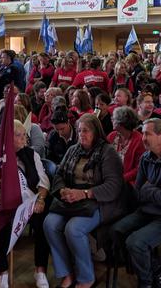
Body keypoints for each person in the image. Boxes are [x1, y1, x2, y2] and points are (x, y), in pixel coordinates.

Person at [110, 118, 161, 288]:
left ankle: (147, 282)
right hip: (149, 210)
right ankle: (157, 268)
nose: (143, 138)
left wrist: (149, 188)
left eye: (147, 134)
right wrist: (157, 188)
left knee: (136, 242)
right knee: (116, 231)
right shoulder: (146, 157)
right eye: (142, 134)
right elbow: (138, 193)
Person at [44, 114, 125, 288]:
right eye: (79, 130)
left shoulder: (107, 152)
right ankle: (67, 272)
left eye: (86, 131)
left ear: (96, 132)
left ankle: (86, 277)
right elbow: (59, 173)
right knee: (49, 224)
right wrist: (62, 190)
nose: (82, 134)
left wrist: (86, 193)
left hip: (98, 201)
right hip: (71, 199)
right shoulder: (74, 149)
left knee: (73, 229)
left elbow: (114, 186)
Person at [0, 121, 50, 288]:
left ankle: (40, 270)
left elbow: (43, 182)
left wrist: (40, 199)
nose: (24, 138)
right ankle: (2, 271)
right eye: (19, 135)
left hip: (29, 204)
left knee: (44, 222)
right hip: (2, 206)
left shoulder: (32, 155)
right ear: (7, 138)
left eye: (24, 135)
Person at [109, 106, 145, 185]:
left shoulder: (139, 140)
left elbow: (138, 168)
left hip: (127, 182)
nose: (111, 120)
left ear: (121, 123)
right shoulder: (112, 136)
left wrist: (121, 179)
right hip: (109, 177)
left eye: (114, 119)